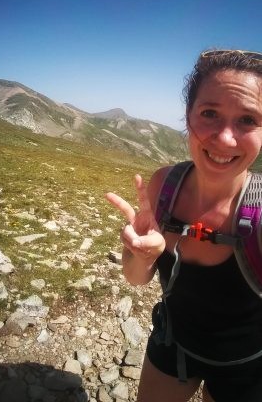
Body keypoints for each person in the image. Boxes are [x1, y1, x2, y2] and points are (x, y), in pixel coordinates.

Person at [106, 49, 262, 402]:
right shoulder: (164, 187)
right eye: (209, 113)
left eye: (248, 120)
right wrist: (140, 255)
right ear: (188, 116)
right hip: (172, 345)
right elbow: (135, 278)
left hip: (248, 368)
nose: (224, 139)